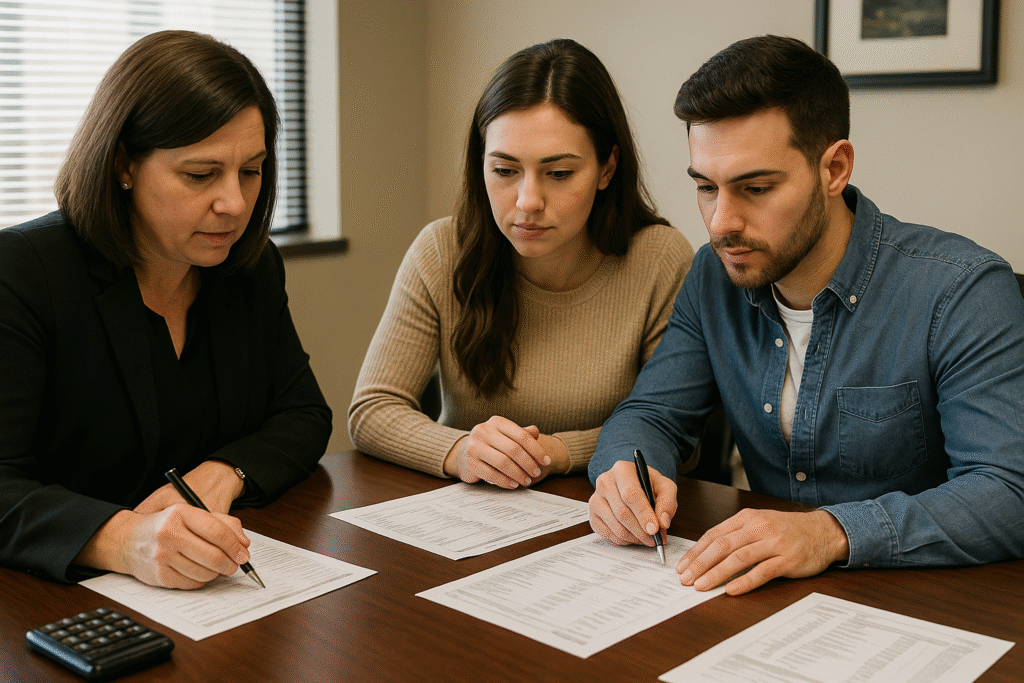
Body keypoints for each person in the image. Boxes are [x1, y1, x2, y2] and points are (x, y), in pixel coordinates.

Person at [588, 35, 1024, 595]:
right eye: (705, 187)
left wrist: (828, 533)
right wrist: (624, 471)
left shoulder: (962, 290)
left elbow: (1009, 491)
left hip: (921, 600)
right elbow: (651, 413)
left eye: (756, 187)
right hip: (763, 596)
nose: (721, 222)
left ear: (835, 168)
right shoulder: (711, 277)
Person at [0, 30, 332, 589]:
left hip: (213, 592)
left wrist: (223, 474)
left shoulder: (248, 268)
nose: (233, 204)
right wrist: (124, 538)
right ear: (123, 164)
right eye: (200, 175)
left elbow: (302, 415)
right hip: (54, 605)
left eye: (250, 171)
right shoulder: (24, 271)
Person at [349, 39, 693, 489]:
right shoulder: (440, 250)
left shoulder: (660, 260)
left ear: (607, 169)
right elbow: (372, 410)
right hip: (467, 511)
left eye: (559, 173)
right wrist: (458, 450)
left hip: (602, 514)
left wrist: (557, 452)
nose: (528, 202)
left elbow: (678, 435)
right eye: (505, 171)